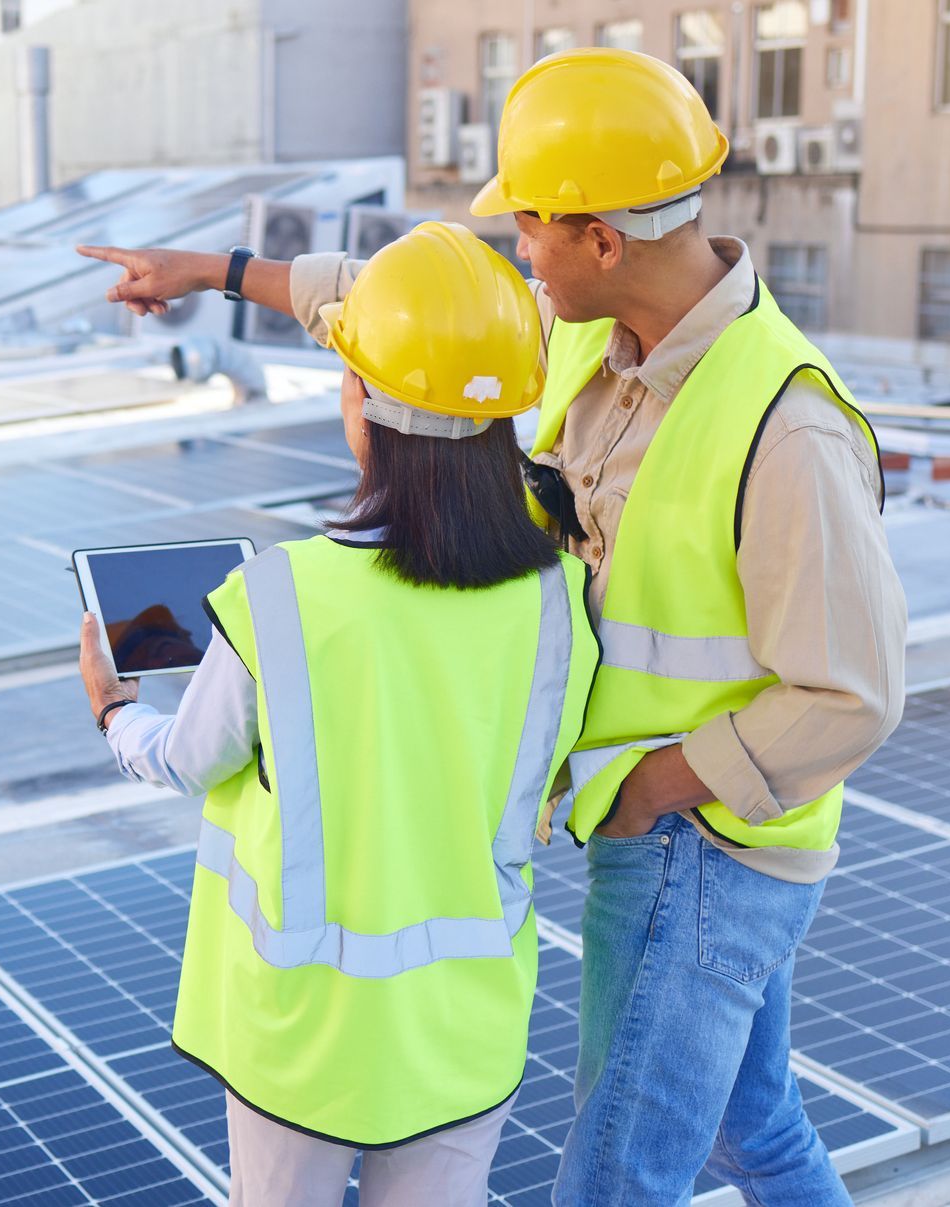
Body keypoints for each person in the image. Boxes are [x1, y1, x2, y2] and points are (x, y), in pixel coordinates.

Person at [81, 47, 907, 1206]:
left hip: (706, 844)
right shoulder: (582, 323)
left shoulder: (787, 427)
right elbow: (400, 310)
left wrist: (651, 787)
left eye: (529, 227)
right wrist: (216, 269)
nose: (515, 252)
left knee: (612, 1179)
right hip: (664, 824)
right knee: (752, 1131)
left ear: (602, 239)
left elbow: (855, 693)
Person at [78, 221, 599, 1206]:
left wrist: (113, 708)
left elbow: (188, 761)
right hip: (465, 1022)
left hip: (304, 1039)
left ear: (360, 402)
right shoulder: (561, 601)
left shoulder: (282, 595)